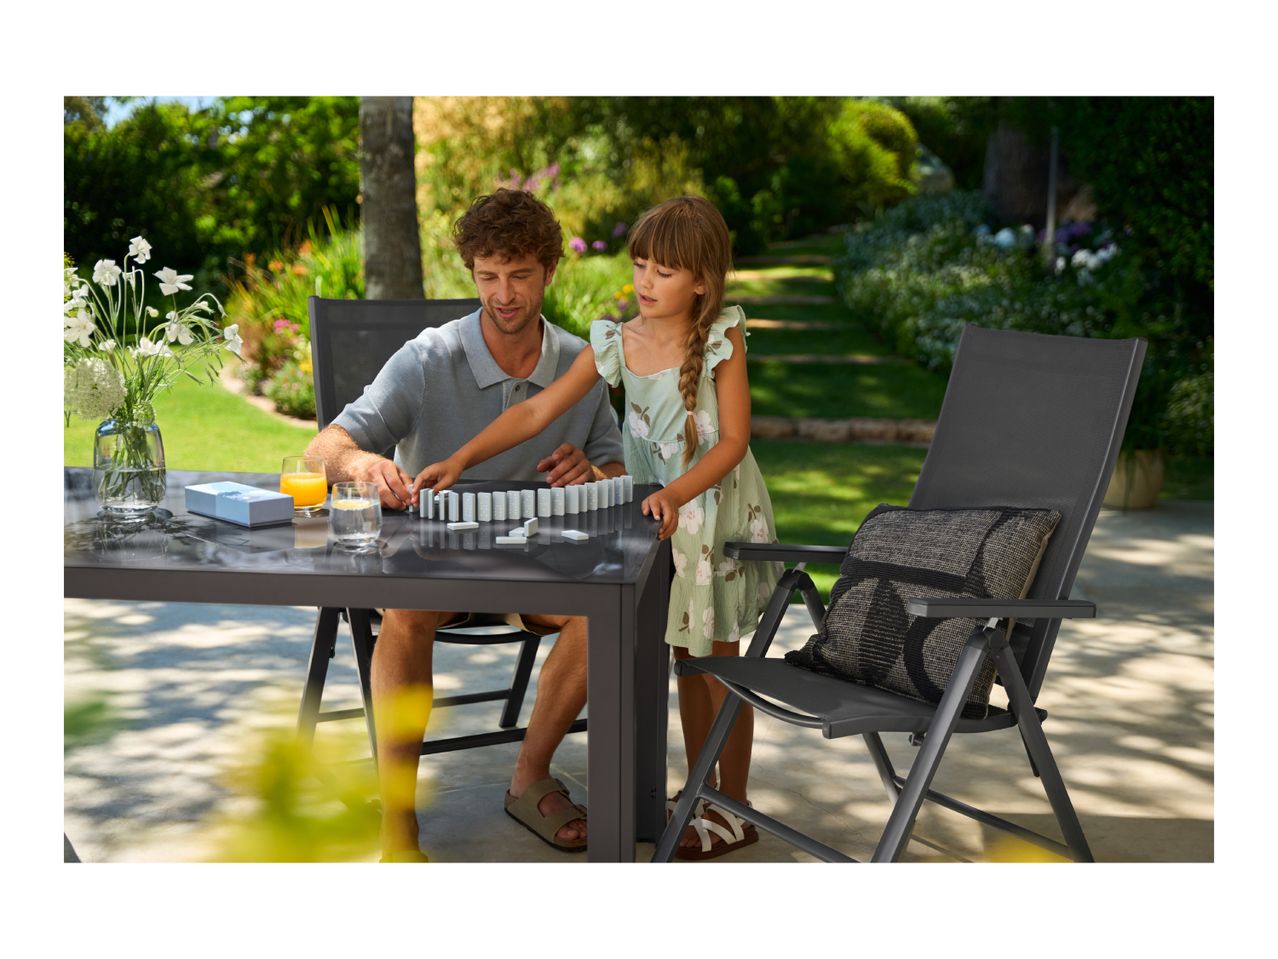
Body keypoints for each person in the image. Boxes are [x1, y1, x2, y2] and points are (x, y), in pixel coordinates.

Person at [413, 195, 783, 860]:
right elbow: (534, 414)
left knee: (711, 663)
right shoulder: (616, 341)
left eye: (664, 271)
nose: (645, 281)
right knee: (677, 658)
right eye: (640, 264)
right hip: (655, 520)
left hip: (710, 512)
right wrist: (460, 458)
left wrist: (672, 491)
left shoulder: (723, 334)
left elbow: (732, 442)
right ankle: (700, 792)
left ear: (702, 280)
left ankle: (733, 803)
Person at [307, 189, 626, 859]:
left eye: (519, 275)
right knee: (406, 603)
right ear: (472, 272)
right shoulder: (427, 358)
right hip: (434, 564)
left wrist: (594, 473)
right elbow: (324, 450)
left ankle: (530, 775)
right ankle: (399, 817)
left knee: (609, 610)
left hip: (538, 566)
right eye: (487, 276)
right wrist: (365, 466)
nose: (503, 293)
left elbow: (616, 466)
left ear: (549, 270)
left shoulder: (580, 365)